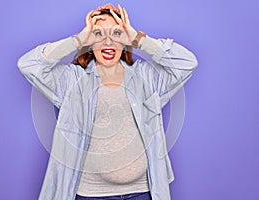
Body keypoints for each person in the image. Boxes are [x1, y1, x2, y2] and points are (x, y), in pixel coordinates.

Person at [17, 3, 198, 200]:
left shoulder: (146, 78)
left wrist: (138, 38)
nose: (108, 42)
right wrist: (78, 39)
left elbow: (187, 63)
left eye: (116, 33)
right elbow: (28, 65)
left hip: (143, 192)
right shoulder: (72, 81)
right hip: (90, 195)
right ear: (90, 43)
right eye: (98, 35)